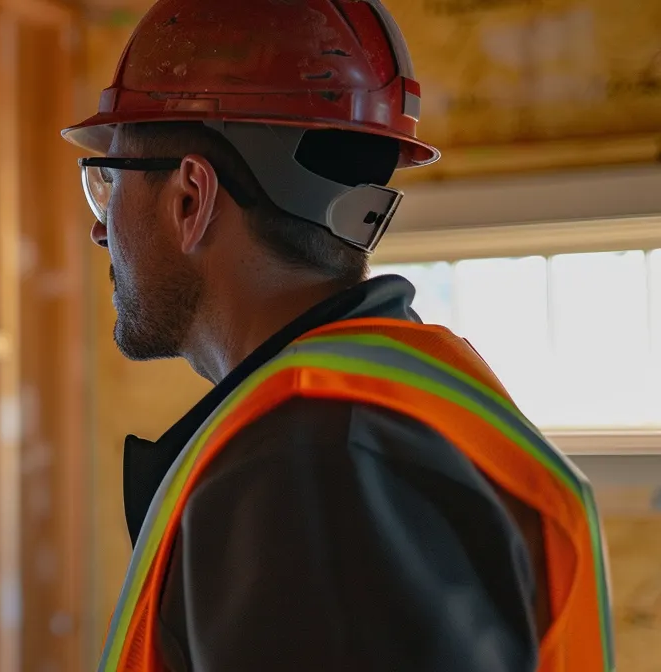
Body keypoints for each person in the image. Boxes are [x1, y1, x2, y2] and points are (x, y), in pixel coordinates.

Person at [58, 1, 614, 670]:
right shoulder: (375, 407)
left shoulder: (310, 465)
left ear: (190, 198)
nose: (100, 229)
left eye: (108, 183)